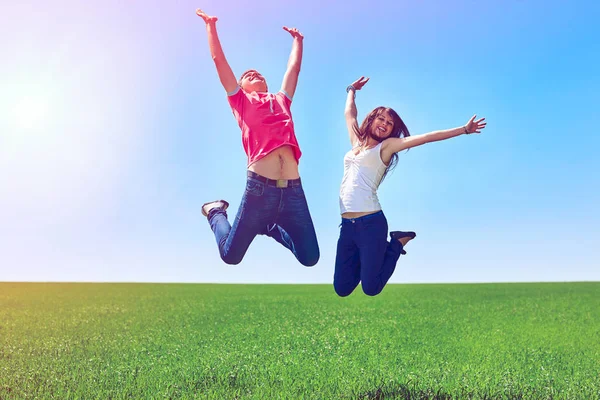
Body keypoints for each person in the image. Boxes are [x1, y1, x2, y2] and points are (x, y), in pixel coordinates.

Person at [334, 76, 486, 296]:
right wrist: (351, 90)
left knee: (371, 287)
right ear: (372, 119)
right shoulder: (356, 143)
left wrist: (463, 129)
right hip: (347, 225)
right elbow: (350, 114)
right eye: (381, 119)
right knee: (342, 288)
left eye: (389, 124)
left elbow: (424, 138)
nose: (384, 125)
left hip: (371, 224)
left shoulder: (386, 147)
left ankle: (396, 243)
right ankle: (368, 256)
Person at [195, 9, 319, 267]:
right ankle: (216, 211)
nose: (254, 74)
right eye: (247, 75)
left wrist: (298, 41)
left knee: (310, 257)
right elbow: (219, 61)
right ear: (241, 85)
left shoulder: (281, 100)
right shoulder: (240, 101)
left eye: (258, 74)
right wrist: (210, 26)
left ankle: (271, 226)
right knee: (231, 256)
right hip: (259, 190)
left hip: (294, 191)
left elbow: (293, 70)